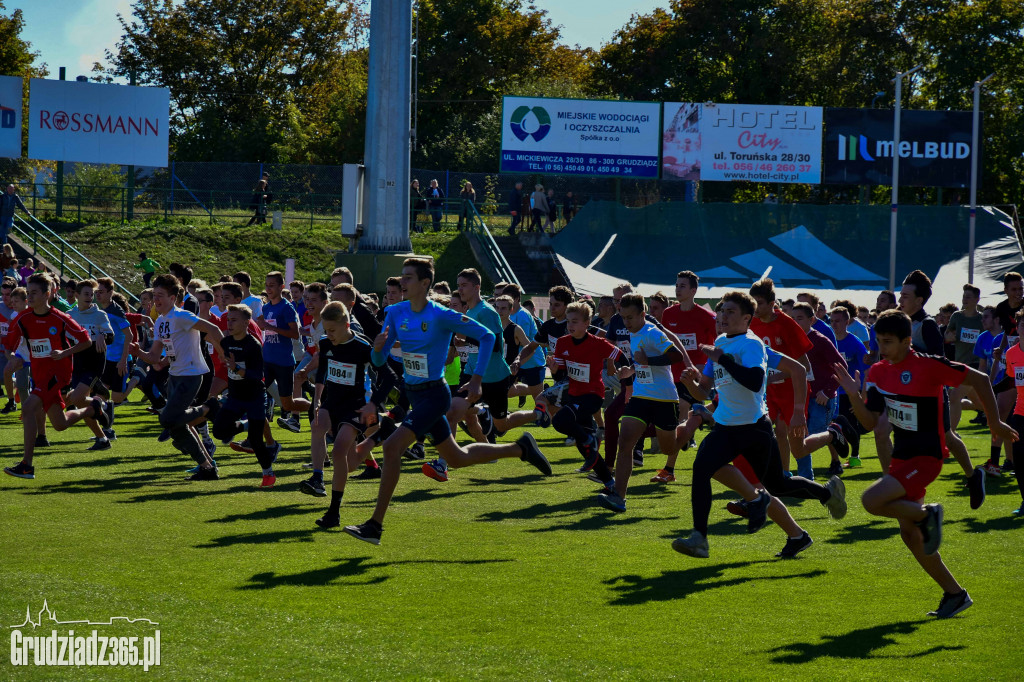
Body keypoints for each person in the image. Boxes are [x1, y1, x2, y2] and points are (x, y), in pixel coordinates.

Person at [342, 258, 552, 545]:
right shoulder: (394, 312)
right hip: (415, 393)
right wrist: (378, 351)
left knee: (392, 448)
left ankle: (375, 525)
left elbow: (489, 336)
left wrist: (477, 379)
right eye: (402, 277)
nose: (402, 282)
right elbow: (380, 359)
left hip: (436, 394)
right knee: (456, 458)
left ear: (425, 283)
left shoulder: (441, 314)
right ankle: (520, 448)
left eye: (408, 278)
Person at [834, 309, 1017, 618]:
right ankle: (955, 594)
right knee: (911, 536)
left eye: (889, 342)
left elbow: (981, 378)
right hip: (902, 459)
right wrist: (854, 395)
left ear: (908, 341)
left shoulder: (929, 365)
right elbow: (868, 422)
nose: (882, 348)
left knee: (871, 500)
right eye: (879, 342)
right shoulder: (878, 371)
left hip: (928, 457)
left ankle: (927, 513)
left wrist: (995, 422)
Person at [671, 291, 845, 560]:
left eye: (730, 312)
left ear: (746, 318)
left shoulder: (751, 345)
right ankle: (701, 538)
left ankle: (824, 493)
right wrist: (689, 384)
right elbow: (705, 392)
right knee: (703, 468)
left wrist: (723, 359)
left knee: (777, 485)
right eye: (722, 311)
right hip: (727, 427)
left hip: (753, 429)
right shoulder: (719, 342)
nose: (723, 316)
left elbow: (754, 381)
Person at [3, 273, 105, 480]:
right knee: (60, 424)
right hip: (39, 374)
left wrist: (64, 353)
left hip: (58, 373)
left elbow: (85, 341)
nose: (29, 297)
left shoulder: (60, 318)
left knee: (29, 407)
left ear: (47, 294)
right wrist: (14, 358)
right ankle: (92, 408)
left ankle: (26, 465)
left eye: (34, 293)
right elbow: (10, 345)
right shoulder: (24, 318)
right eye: (28, 292)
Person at [898, 269, 985, 508]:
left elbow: (939, 359)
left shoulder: (926, 325)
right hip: (905, 396)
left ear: (919, 300)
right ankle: (905, 493)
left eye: (905, 296)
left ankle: (973, 475)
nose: (900, 300)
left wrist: (912, 353)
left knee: (946, 436)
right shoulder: (899, 321)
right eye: (900, 295)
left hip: (930, 396)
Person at [303, 301, 397, 519]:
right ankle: (317, 478)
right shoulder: (326, 343)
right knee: (317, 426)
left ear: (347, 324)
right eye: (326, 331)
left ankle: (334, 511)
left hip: (354, 405)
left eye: (333, 330)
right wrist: (317, 400)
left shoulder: (363, 348)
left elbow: (390, 377)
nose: (329, 335)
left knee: (341, 454)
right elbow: (323, 372)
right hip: (331, 402)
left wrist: (373, 403)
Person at [129, 274, 226, 480]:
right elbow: (154, 357)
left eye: (161, 295)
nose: (156, 300)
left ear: (173, 298)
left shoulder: (182, 316)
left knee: (167, 419)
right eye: (154, 295)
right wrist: (137, 353)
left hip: (191, 375)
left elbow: (212, 328)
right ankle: (207, 468)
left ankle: (209, 407)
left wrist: (227, 352)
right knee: (176, 428)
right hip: (174, 376)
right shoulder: (161, 321)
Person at [598, 293, 685, 512]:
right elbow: (642, 363)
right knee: (625, 442)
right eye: (623, 317)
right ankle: (619, 496)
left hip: (664, 398)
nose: (626, 322)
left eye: (630, 318)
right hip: (640, 396)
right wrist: (632, 369)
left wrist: (648, 361)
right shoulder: (634, 332)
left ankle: (690, 424)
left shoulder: (652, 332)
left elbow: (676, 356)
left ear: (643, 315)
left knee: (668, 448)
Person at [211, 303, 280, 488]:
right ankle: (245, 425)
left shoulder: (254, 346)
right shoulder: (226, 342)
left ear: (246, 322)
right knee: (218, 431)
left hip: (255, 397)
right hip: (235, 396)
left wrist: (236, 368)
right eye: (228, 320)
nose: (229, 324)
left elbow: (258, 376)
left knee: (256, 441)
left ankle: (269, 474)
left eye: (234, 320)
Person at [998, 311, 1024, 514]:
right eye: (1023, 325)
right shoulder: (1011, 354)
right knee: (1019, 460)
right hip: (1020, 413)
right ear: (1018, 327)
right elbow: (1012, 382)